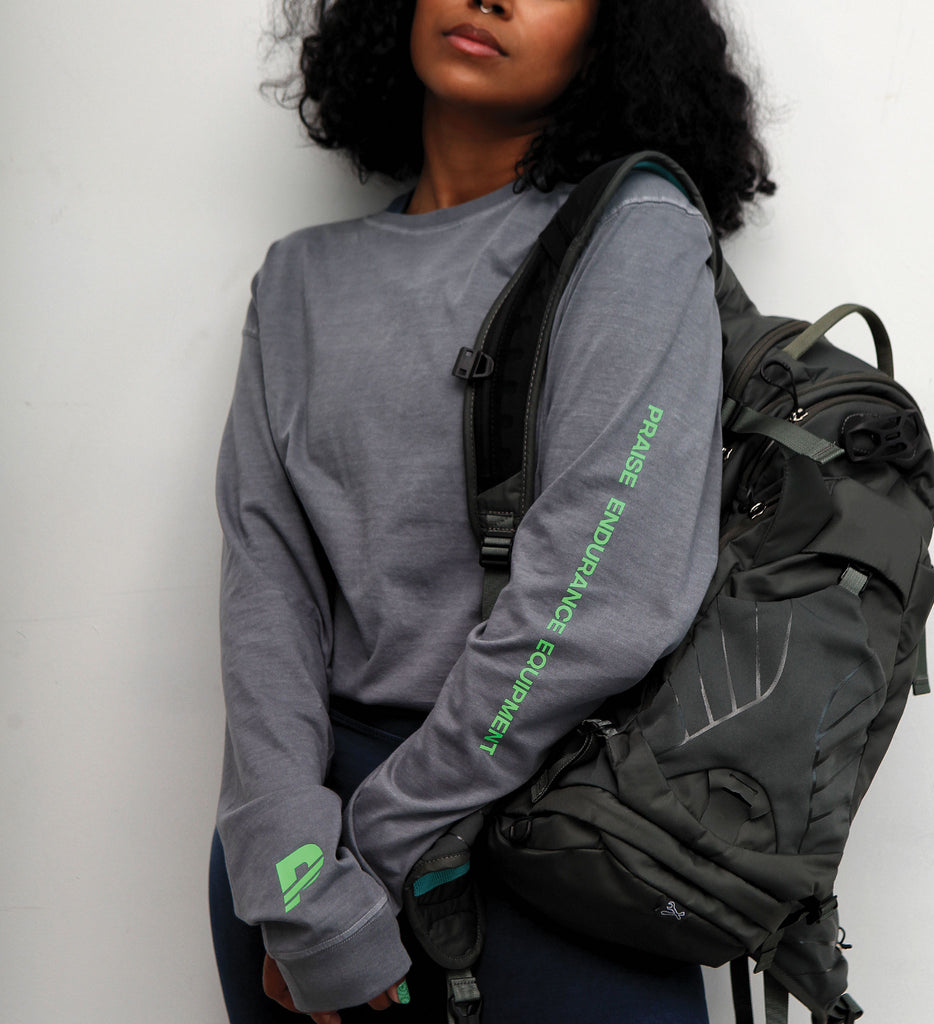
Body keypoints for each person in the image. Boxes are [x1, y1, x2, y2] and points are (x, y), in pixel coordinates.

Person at [208, 0, 775, 1021]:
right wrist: (291, 870)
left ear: (615, 32)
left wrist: (365, 858)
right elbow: (266, 587)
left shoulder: (635, 232)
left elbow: (602, 600)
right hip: (302, 872)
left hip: (541, 854)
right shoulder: (298, 279)